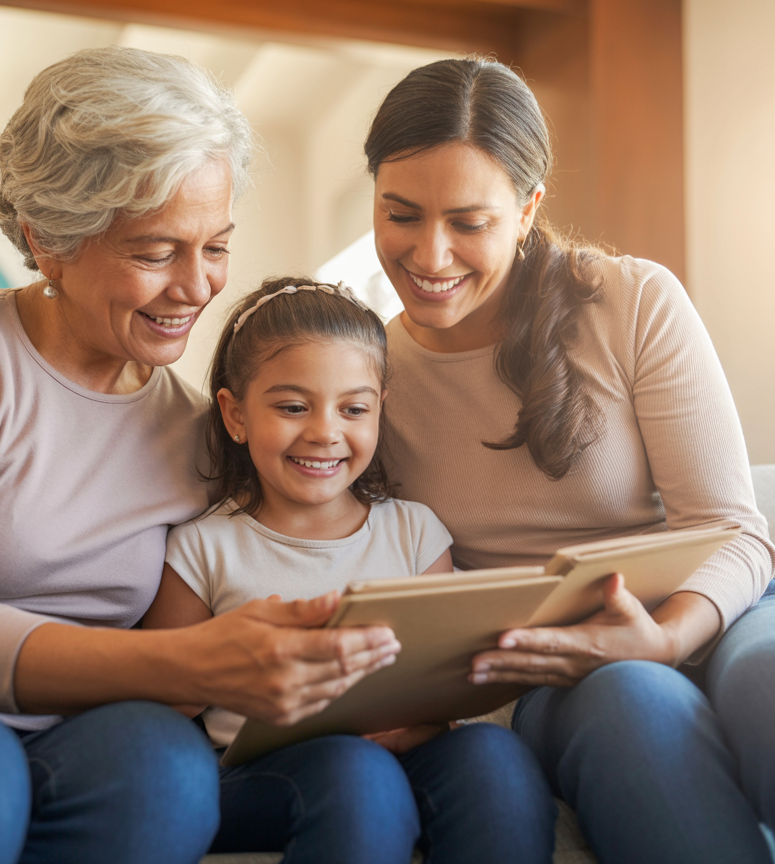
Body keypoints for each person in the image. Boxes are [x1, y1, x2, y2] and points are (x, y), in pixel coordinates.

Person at [0, 48, 402, 864]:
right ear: (47, 238)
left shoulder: (204, 433)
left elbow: (307, 528)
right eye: (156, 252)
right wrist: (193, 663)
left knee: (162, 767)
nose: (197, 286)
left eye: (216, 246)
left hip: (53, 737)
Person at [366, 57, 775, 864]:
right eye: (401, 214)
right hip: (569, 671)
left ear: (529, 208)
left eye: (469, 222)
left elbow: (731, 530)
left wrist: (668, 635)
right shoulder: (365, 376)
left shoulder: (631, 299)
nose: (430, 254)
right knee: (632, 703)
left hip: (730, 611)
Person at [143, 276, 557, 864]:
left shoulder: (414, 532)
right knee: (356, 772)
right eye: (291, 407)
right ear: (236, 415)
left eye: (353, 409)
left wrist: (425, 718)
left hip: (409, 749)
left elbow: (449, 679)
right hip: (265, 772)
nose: (324, 432)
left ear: (380, 410)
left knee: (495, 756)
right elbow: (162, 699)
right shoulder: (202, 548)